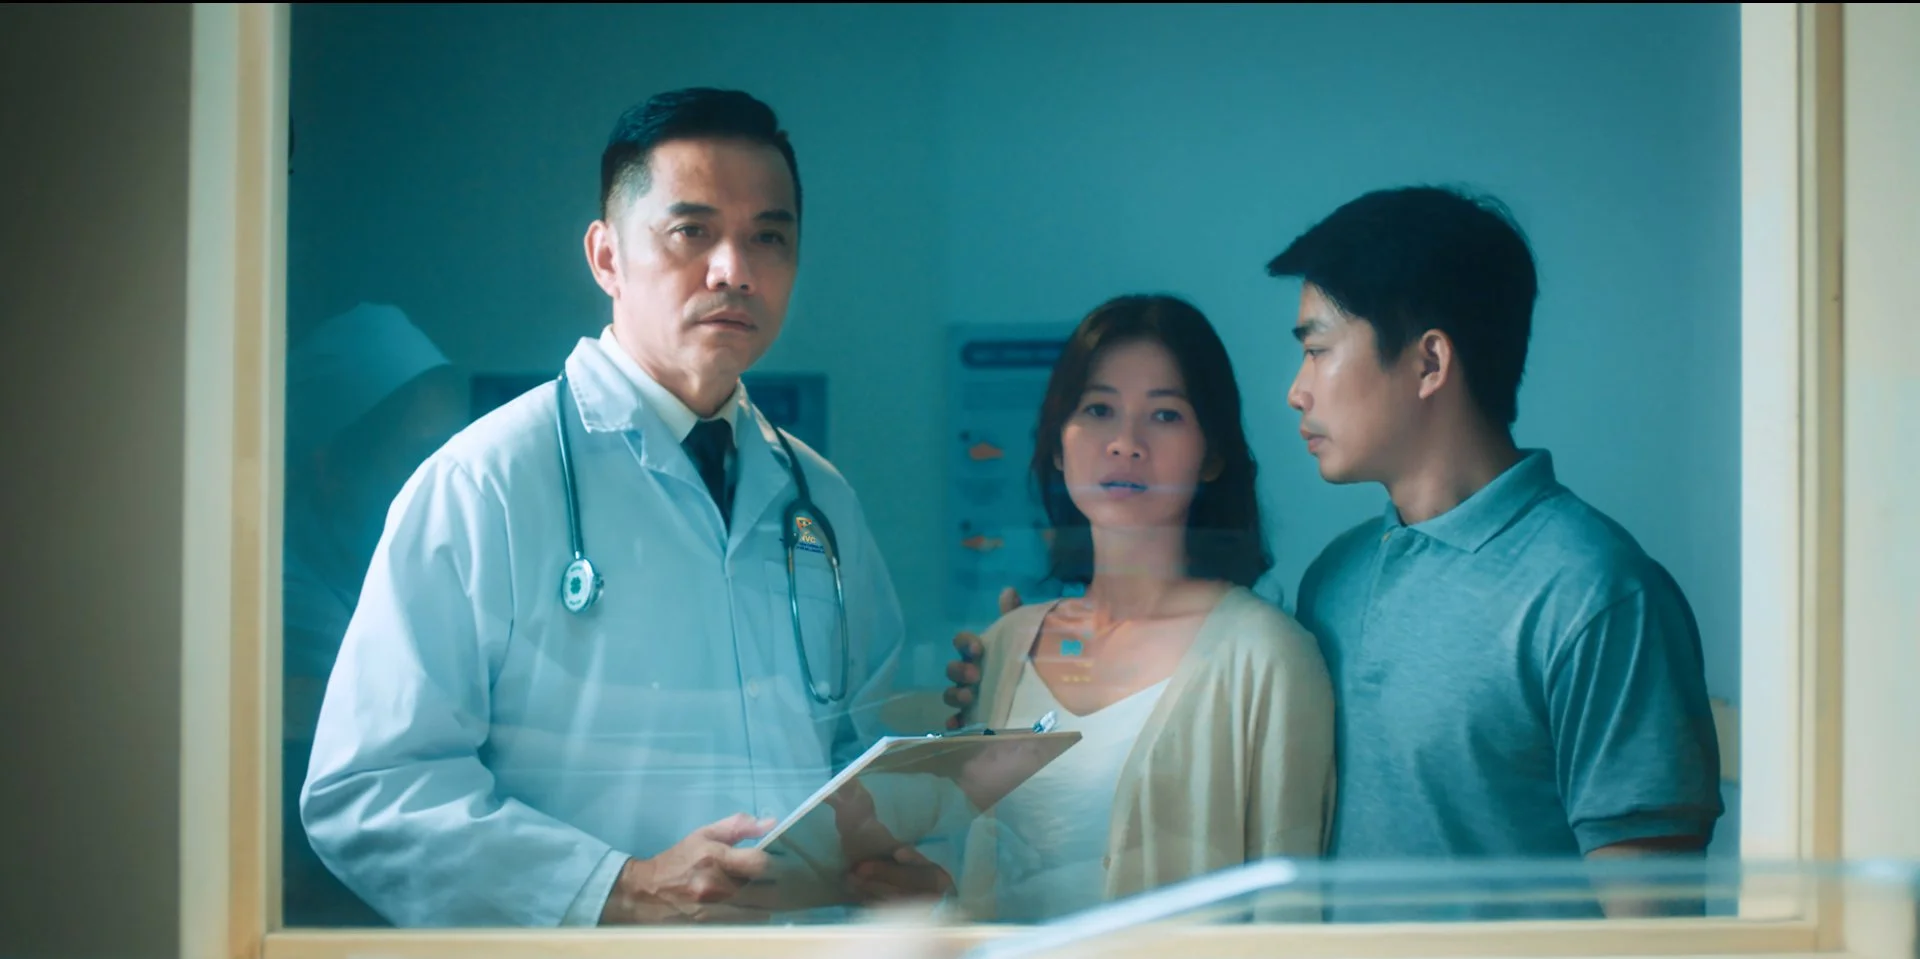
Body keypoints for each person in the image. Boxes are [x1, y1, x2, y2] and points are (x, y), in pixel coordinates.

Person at [944, 186, 1722, 921]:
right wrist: (1020, 667)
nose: (1297, 389)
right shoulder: (1336, 581)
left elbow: (1653, 932)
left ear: (1429, 363)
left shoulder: (1595, 591)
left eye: (1317, 349)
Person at [300, 88, 922, 928]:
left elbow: (851, 751)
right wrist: (617, 887)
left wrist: (888, 858)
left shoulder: (819, 499)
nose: (734, 269)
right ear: (606, 257)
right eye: (691, 231)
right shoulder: (486, 482)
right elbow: (371, 791)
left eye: (768, 237)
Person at [947, 293, 1335, 923]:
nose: (1125, 443)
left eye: (1165, 415)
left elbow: (1287, 917)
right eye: (1098, 409)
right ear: (1057, 443)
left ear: (1212, 454)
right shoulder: (1004, 646)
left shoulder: (1267, 658)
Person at [281, 302, 468, 927]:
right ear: (329, 470)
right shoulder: (286, 602)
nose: (447, 479)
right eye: (419, 456)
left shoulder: (406, 555)